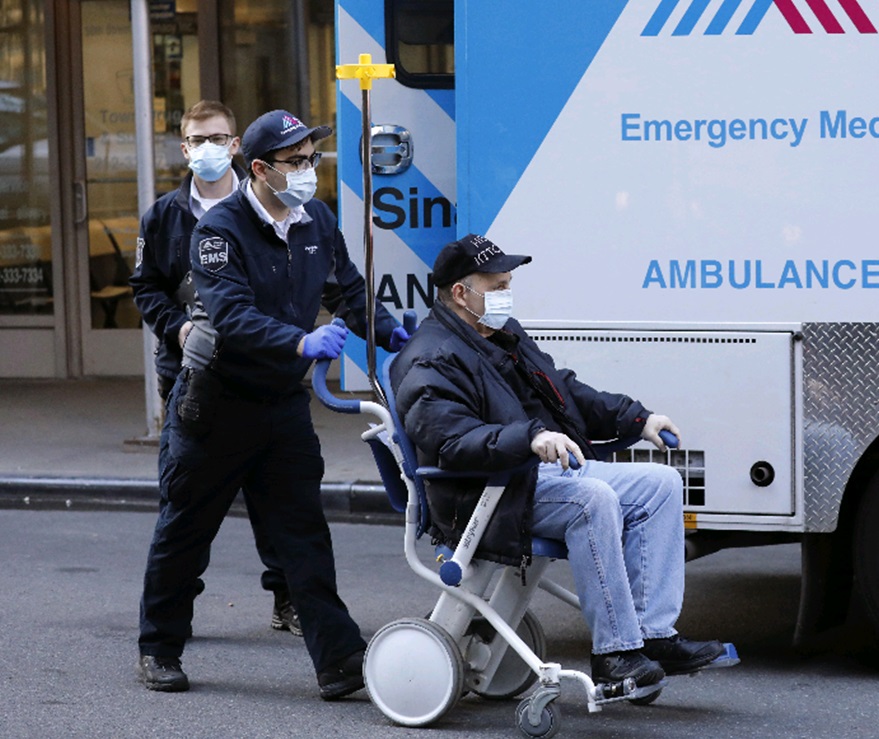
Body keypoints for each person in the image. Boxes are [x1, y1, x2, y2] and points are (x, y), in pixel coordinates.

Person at [136, 109, 409, 699]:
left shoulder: (315, 218)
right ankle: (158, 647)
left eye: (313, 159)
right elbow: (230, 315)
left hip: (282, 404)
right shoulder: (219, 231)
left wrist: (393, 334)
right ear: (259, 168)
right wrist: (299, 340)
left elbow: (348, 289)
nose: (309, 171)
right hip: (216, 404)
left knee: (302, 533)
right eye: (297, 162)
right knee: (186, 529)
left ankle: (339, 661)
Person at [391, 234, 726, 691]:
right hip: (486, 491)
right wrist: (529, 437)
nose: (507, 293)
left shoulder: (503, 334)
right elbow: (450, 441)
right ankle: (615, 654)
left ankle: (652, 637)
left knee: (662, 483)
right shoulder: (428, 357)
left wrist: (636, 416)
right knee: (593, 498)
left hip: (534, 474)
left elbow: (564, 389)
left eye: (509, 283)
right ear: (460, 293)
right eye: (498, 285)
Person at [129, 100, 302, 638]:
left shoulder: (267, 207)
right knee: (184, 506)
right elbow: (146, 286)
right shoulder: (164, 215)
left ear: (237, 147)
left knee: (278, 502)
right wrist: (176, 330)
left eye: (220, 137)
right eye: (198, 140)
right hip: (188, 375)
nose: (209, 148)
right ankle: (171, 622)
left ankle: (287, 600)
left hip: (262, 374)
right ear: (184, 149)